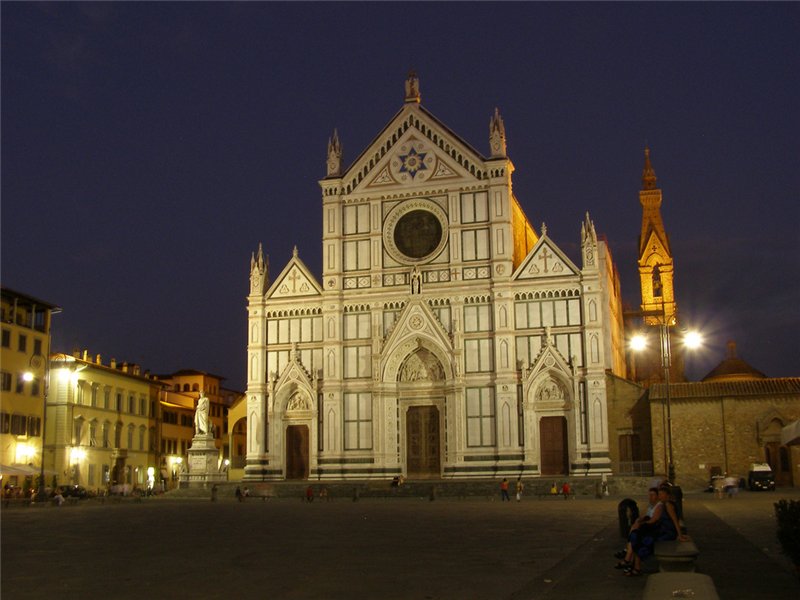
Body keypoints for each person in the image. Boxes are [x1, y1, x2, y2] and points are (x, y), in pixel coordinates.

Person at [623, 485, 688, 576]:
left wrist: (679, 535)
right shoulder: (663, 505)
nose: (659, 496)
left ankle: (635, 566)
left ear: (667, 495)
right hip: (661, 530)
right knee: (638, 538)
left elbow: (675, 520)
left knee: (642, 540)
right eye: (659, 494)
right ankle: (635, 566)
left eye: (661, 494)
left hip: (667, 533)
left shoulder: (668, 505)